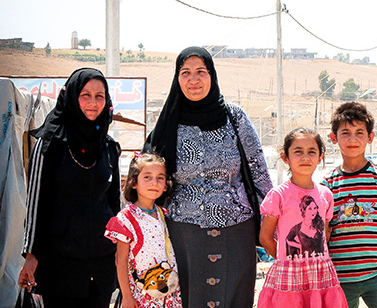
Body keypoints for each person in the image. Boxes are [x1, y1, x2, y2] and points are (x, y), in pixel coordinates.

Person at [143, 46, 273, 308]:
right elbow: (149, 176)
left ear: (211, 75)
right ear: (177, 78)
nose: (193, 80)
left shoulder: (234, 117)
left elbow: (258, 171)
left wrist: (272, 225)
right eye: (185, 72)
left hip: (237, 229)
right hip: (183, 233)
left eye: (201, 72)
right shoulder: (169, 121)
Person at [17, 68, 121, 308]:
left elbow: (114, 206)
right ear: (72, 96)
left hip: (102, 263)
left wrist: (120, 253)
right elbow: (35, 203)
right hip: (60, 264)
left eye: (100, 96)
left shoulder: (109, 147)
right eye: (86, 95)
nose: (93, 103)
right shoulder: (50, 143)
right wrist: (31, 255)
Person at [321, 102, 377, 308]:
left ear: (370, 138)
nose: (353, 139)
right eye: (346, 133)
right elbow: (323, 231)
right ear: (334, 138)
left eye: (360, 132)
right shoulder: (328, 184)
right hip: (339, 277)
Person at [258, 127, 348, 308]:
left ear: (320, 157)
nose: (305, 157)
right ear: (285, 158)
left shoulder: (326, 194)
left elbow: (325, 233)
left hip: (320, 273)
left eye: (311, 152)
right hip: (289, 274)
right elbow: (265, 238)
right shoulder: (278, 195)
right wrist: (287, 259)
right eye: (298, 152)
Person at [105, 152, 182, 308]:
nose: (154, 182)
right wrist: (126, 296)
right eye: (147, 177)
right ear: (134, 182)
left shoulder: (165, 214)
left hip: (170, 295)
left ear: (165, 184)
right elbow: (121, 261)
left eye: (160, 177)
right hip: (141, 296)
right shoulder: (126, 219)